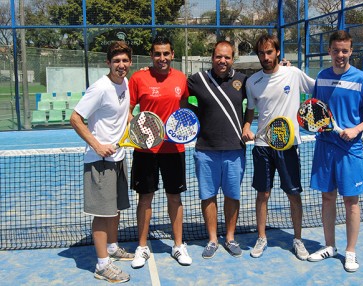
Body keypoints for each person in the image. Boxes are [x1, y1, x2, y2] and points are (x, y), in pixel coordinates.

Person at [306, 30, 363, 272]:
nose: (340, 55)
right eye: (336, 50)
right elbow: (315, 109)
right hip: (324, 147)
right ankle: (329, 246)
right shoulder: (321, 77)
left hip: (350, 149)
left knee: (351, 201)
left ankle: (350, 252)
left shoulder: (362, 79)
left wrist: (357, 129)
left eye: (345, 51)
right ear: (329, 51)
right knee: (327, 197)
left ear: (351, 51)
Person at [241, 34, 315, 260]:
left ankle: (298, 239)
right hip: (262, 145)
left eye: (269, 52)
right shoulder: (252, 82)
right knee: (262, 193)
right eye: (261, 53)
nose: (266, 57)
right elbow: (251, 110)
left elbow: (318, 90)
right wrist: (246, 125)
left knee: (293, 194)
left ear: (278, 52)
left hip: (288, 145)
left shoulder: (292, 73)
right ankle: (262, 237)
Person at [70, 41, 134, 283]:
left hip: (118, 157)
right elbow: (75, 118)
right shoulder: (100, 88)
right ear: (108, 63)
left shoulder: (125, 83)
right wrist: (97, 146)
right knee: (101, 214)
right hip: (100, 161)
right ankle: (102, 265)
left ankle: (112, 247)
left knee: (114, 210)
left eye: (124, 60)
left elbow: (124, 113)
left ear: (130, 62)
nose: (121, 65)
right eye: (116, 61)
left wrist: (133, 124)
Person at [128, 36, 192, 268]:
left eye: (166, 54)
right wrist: (138, 131)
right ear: (151, 55)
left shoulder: (181, 78)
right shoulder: (138, 78)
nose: (162, 58)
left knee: (175, 197)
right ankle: (142, 247)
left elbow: (184, 106)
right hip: (146, 149)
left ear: (172, 55)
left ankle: (177, 246)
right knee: (145, 197)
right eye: (157, 54)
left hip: (174, 149)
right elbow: (128, 110)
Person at [187, 41, 247, 259]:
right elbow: (179, 94)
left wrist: (247, 125)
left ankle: (230, 238)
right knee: (208, 196)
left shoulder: (242, 80)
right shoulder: (198, 79)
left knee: (232, 196)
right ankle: (212, 239)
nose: (223, 61)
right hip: (206, 150)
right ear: (212, 57)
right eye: (219, 57)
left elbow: (251, 105)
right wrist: (197, 113)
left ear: (233, 59)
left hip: (234, 150)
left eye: (227, 57)